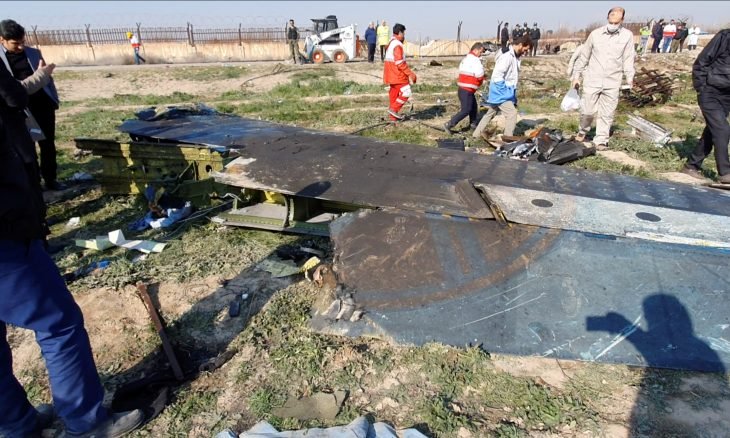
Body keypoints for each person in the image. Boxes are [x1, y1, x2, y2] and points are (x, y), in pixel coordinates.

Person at [0, 54, 144, 438]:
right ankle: (87, 421)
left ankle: (15, 424)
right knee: (58, 324)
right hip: (6, 238)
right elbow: (13, 96)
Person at [0, 19, 64, 191]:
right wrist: (39, 77)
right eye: (16, 43)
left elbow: (47, 79)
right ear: (2, 40)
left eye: (23, 41)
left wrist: (53, 99)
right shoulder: (0, 61)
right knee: (28, 148)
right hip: (20, 110)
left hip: (43, 106)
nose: (21, 47)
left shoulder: (34, 53)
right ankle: (34, 182)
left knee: (48, 144)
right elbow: (14, 89)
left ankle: (51, 178)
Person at [571, 6, 635, 151]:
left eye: (616, 19)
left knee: (607, 113)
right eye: (611, 17)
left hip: (613, 80)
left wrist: (629, 78)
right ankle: (582, 131)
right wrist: (576, 76)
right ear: (607, 17)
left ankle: (601, 140)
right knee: (587, 110)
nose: (613, 21)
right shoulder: (595, 34)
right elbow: (584, 56)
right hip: (593, 78)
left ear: (622, 20)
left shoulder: (627, 36)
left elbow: (628, 58)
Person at [681, 29, 730, 185]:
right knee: (722, 129)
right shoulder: (725, 37)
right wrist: (701, 87)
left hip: (727, 96)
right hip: (710, 91)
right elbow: (702, 61)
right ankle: (725, 173)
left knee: (712, 131)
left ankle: (691, 165)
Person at [472, 35, 532, 141]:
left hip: (503, 90)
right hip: (500, 91)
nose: (525, 52)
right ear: (520, 45)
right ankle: (507, 140)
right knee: (512, 114)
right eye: (525, 49)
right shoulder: (507, 56)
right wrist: (505, 93)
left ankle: (476, 135)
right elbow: (497, 76)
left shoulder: (513, 56)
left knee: (490, 113)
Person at [444, 42, 485, 133]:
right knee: (466, 110)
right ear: (476, 50)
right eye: (480, 52)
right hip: (467, 89)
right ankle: (449, 124)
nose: (481, 54)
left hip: (463, 88)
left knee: (473, 107)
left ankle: (473, 124)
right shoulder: (475, 60)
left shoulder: (466, 59)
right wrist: (481, 80)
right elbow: (480, 74)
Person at [383, 23, 416, 121]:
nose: (404, 36)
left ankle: (392, 118)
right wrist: (410, 74)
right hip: (397, 75)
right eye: (403, 33)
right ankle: (393, 109)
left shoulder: (391, 43)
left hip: (390, 74)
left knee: (394, 94)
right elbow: (400, 63)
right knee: (406, 92)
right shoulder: (397, 45)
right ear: (400, 33)